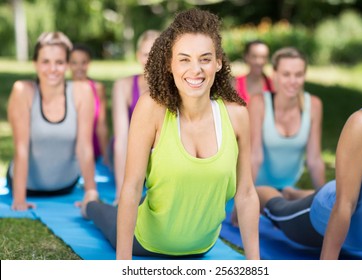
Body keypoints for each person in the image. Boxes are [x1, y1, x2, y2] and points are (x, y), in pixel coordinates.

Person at [81, 8, 260, 260]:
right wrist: (123, 265)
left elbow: (247, 193)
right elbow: (131, 187)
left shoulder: (236, 115)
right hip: (144, 239)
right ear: (169, 63)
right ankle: (90, 203)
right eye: (184, 59)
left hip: (201, 246)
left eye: (205, 59)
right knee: (102, 213)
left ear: (218, 62)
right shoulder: (151, 108)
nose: (195, 69)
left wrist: (255, 264)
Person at [256, 34, 362, 259]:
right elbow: (345, 203)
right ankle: (264, 193)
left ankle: (295, 192)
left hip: (359, 228)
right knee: (279, 211)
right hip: (323, 217)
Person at [6, 32, 98, 211]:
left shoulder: (82, 92)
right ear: (35, 64)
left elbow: (84, 147)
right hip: (27, 188)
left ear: (68, 65)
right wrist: (19, 199)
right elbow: (21, 148)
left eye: (59, 62)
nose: (52, 69)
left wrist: (91, 192)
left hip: (66, 186)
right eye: (45, 61)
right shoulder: (22, 91)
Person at [251, 47, 325, 195]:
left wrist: (323, 198)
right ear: (275, 75)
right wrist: (244, 199)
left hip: (288, 189)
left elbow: (314, 160)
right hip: (257, 189)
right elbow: (254, 157)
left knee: (313, 197)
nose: (293, 81)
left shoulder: (314, 105)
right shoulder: (258, 103)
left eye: (298, 75)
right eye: (286, 74)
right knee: (280, 199)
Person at [111, 30, 160, 202]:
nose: (152, 59)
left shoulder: (178, 87)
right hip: (130, 152)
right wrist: (120, 193)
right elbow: (121, 140)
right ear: (139, 56)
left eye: (158, 53)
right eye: (147, 54)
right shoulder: (123, 86)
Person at [69, 44, 109, 163]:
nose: (79, 67)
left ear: (89, 63)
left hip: (94, 153)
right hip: (70, 156)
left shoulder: (98, 88)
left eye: (84, 62)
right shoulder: (63, 90)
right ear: (68, 64)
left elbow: (102, 125)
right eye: (74, 62)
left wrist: (106, 157)